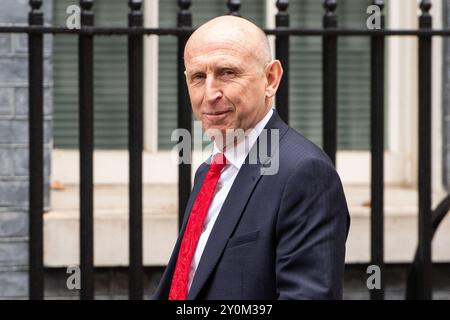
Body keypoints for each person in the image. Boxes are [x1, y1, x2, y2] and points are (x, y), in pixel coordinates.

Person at [153, 15, 350, 300]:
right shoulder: (209, 170)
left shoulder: (305, 173)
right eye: (198, 77)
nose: (210, 94)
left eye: (227, 73)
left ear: (271, 79)